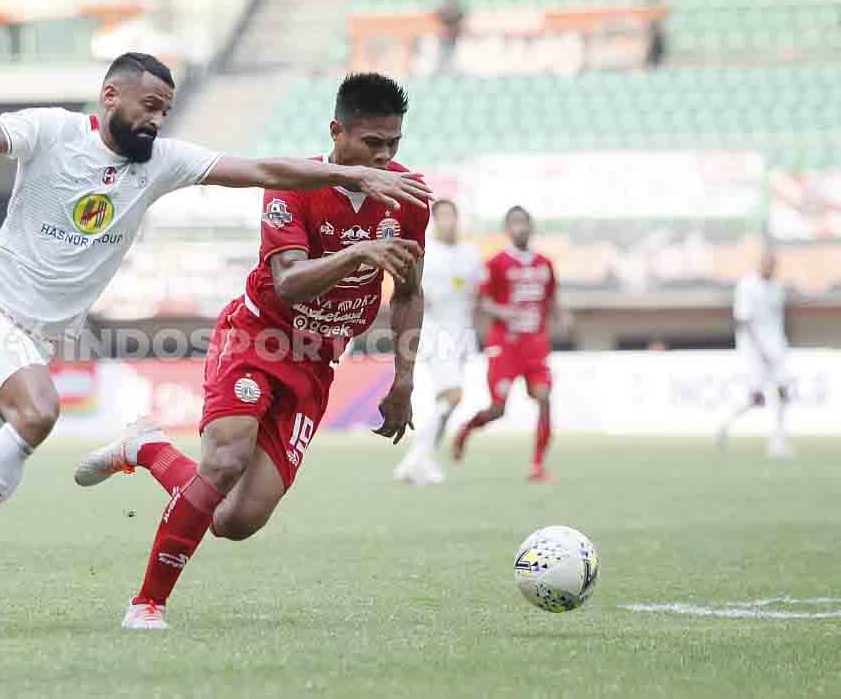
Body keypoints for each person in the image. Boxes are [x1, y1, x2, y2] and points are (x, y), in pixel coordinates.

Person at [0, 53, 431, 632]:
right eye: (148, 105)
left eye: (165, 110)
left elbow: (266, 171)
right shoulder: (53, 132)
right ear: (110, 96)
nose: (156, 120)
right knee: (39, 409)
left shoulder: (162, 162)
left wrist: (350, 174)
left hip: (25, 343)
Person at [75, 73, 430, 630]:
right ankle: (147, 604)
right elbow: (288, 284)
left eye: (393, 143)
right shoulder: (294, 185)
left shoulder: (408, 197)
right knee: (224, 461)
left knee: (233, 520)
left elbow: (408, 290)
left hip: (316, 363)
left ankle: (148, 449)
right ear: (337, 132)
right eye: (372, 143)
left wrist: (403, 378)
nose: (383, 157)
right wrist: (359, 252)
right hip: (256, 337)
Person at [451, 206, 570, 482]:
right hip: (505, 346)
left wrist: (561, 316)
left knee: (544, 398)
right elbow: (483, 302)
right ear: (507, 230)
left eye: (524, 222)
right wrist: (503, 312)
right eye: (515, 223)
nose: (521, 228)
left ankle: (537, 465)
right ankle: (467, 429)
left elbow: (551, 297)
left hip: (535, 346)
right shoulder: (497, 263)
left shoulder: (544, 263)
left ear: (531, 226)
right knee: (497, 410)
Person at [391, 198, 484, 484]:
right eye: (441, 216)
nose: (447, 221)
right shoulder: (427, 252)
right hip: (435, 332)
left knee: (445, 403)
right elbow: (412, 291)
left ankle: (422, 460)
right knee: (453, 395)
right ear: (434, 221)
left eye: (451, 215)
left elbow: (477, 293)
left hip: (462, 334)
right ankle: (415, 459)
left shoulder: (471, 253)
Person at [715, 251, 794, 458]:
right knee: (756, 398)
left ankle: (778, 442)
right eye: (766, 263)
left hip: (776, 347)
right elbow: (744, 320)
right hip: (753, 350)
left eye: (772, 264)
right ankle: (725, 423)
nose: (769, 268)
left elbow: (777, 320)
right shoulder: (747, 286)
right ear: (759, 264)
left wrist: (779, 345)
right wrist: (759, 349)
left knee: (783, 391)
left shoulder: (777, 288)